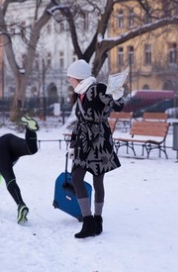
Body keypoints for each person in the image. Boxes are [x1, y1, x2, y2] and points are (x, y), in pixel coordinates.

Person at [66, 59, 125, 239]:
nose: (69, 80)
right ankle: (90, 221)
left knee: (95, 181)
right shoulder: (81, 93)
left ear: (78, 77)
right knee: (77, 178)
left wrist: (117, 96)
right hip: (85, 142)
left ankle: (95, 221)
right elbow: (81, 121)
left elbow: (117, 105)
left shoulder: (96, 88)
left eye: (70, 77)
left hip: (98, 142)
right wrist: (74, 143)